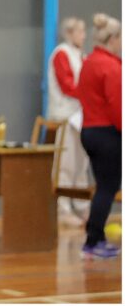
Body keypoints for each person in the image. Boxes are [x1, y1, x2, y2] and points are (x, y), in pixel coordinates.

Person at [76, 13, 121, 260]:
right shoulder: (111, 66)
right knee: (108, 187)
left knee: (103, 185)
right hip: (106, 133)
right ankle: (93, 240)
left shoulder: (90, 61)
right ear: (113, 38)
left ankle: (98, 238)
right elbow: (117, 107)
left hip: (89, 131)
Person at [46, 17, 90, 226]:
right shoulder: (61, 54)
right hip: (65, 116)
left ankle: (82, 206)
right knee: (65, 163)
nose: (84, 36)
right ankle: (62, 208)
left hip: (81, 116)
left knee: (82, 164)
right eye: (80, 32)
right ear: (70, 33)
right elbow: (68, 85)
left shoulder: (81, 55)